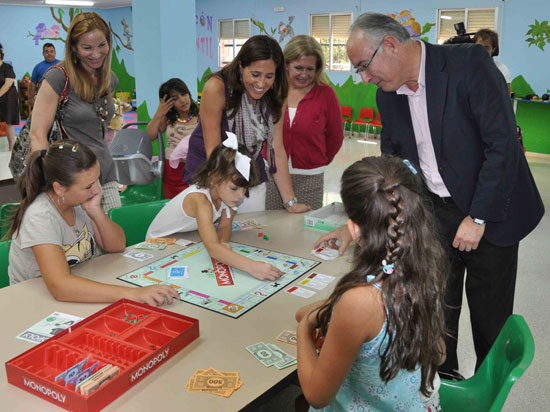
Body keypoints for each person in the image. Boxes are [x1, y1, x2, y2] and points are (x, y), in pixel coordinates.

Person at [317, 12, 544, 378]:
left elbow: (502, 146)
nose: (363, 77)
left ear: (389, 45)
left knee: (490, 317)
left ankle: (488, 391)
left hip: (491, 211)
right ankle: (444, 383)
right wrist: (354, 224)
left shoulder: (468, 64)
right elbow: (392, 167)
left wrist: (478, 217)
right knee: (436, 309)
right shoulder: (388, 96)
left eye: (363, 66)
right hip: (436, 214)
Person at [296, 156, 446, 411]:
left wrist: (304, 328)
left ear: (354, 230)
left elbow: (317, 396)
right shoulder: (424, 268)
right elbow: (439, 353)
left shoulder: (359, 302)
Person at [7, 140, 179, 306]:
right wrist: (132, 294)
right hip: (33, 302)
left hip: (73, 290)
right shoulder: (40, 216)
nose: (97, 190)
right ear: (59, 188)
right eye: (88, 186)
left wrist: (95, 211)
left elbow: (117, 245)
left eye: (97, 179)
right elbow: (60, 286)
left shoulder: (78, 201)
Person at [183, 35, 310, 214]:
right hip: (211, 173)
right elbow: (214, 151)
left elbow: (277, 150)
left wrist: (290, 202)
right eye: (255, 74)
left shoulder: (277, 92)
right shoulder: (216, 88)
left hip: (249, 173)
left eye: (269, 76)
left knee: (250, 232)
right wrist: (224, 194)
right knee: (209, 235)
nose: (261, 83)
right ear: (241, 66)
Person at [148, 134, 284, 281]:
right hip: (158, 245)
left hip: (183, 238)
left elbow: (225, 227)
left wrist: (223, 243)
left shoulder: (228, 196)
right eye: (235, 188)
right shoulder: (200, 201)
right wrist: (252, 266)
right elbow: (212, 248)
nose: (240, 196)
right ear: (213, 179)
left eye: (244, 189)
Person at [30, 12, 121, 213]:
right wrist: (51, 182)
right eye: (87, 48)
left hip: (105, 173)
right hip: (70, 181)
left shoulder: (109, 79)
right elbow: (37, 134)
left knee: (114, 240)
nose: (96, 54)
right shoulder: (58, 78)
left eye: (101, 45)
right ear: (73, 48)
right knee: (79, 243)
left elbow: (98, 128)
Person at [266, 35, 344, 210]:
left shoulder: (326, 94)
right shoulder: (274, 91)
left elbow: (336, 137)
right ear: (286, 65)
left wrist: (318, 160)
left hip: (310, 176)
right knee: (273, 227)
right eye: (298, 67)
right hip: (274, 175)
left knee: (305, 228)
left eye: (310, 69)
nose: (304, 74)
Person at [146, 78, 199, 198]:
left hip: (196, 170)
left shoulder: (201, 115)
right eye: (175, 98)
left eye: (184, 94)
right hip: (172, 172)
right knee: (172, 208)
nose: (182, 100)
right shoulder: (168, 118)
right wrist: (159, 112)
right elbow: (150, 136)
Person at [473, 29, 512, 93]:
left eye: (486, 48)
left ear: (493, 49)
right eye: (478, 46)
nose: (482, 51)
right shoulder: (466, 68)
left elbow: (506, 97)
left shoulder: (502, 70)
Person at [0, 43, 20, 151]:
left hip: (8, 97)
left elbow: (8, 84)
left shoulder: (7, 67)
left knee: (8, 122)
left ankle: (11, 146)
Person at [29, 42, 60, 107]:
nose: (49, 54)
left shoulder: (62, 64)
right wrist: (31, 99)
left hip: (59, 97)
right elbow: (33, 83)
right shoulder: (38, 67)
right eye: (47, 52)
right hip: (43, 97)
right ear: (43, 53)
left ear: (55, 52)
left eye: (52, 51)